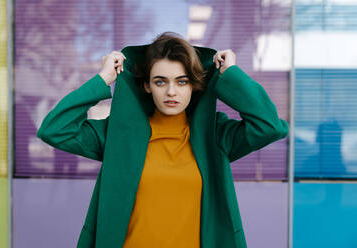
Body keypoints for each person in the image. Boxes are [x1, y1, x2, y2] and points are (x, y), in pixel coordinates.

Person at [37, 31, 289, 248]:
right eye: (160, 81)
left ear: (194, 85)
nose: (171, 92)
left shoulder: (216, 134)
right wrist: (103, 79)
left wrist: (231, 73)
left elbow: (269, 126)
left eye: (182, 81)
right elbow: (54, 129)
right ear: (147, 86)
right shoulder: (118, 134)